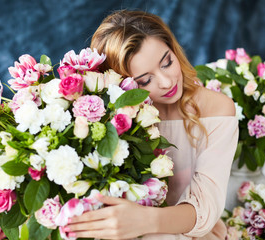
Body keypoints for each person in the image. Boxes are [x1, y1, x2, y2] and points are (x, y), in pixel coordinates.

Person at [64, 10, 239, 240]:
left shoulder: (216, 109)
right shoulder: (109, 120)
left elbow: (204, 210)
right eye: (145, 80)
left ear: (174, 49)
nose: (167, 82)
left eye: (167, 62)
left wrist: (142, 221)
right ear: (120, 83)